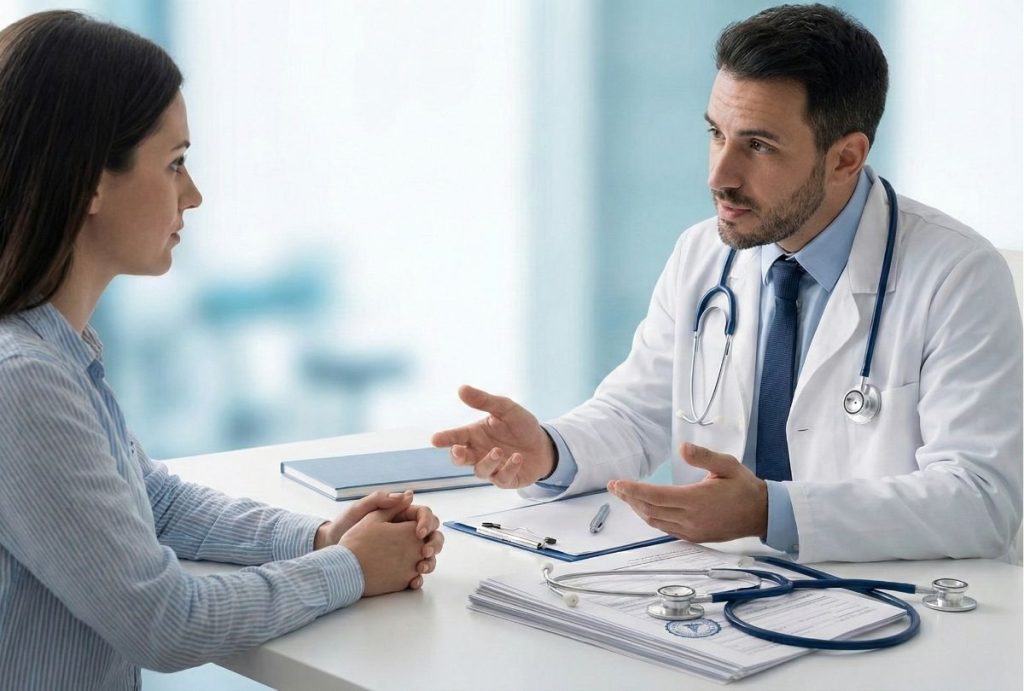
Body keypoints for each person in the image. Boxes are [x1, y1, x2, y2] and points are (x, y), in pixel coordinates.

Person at [433, 4, 1022, 564]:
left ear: (845, 158)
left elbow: (981, 498)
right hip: (715, 593)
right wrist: (549, 451)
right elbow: (636, 414)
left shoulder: (957, 276)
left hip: (898, 612)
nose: (719, 175)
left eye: (758, 145)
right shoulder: (702, 253)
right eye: (717, 133)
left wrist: (771, 512)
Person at [0, 11, 444, 689]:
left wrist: (322, 536)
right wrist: (349, 569)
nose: (194, 195)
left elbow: (160, 505)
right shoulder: (23, 381)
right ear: (91, 180)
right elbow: (163, 621)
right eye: (175, 164)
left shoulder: (57, 353)